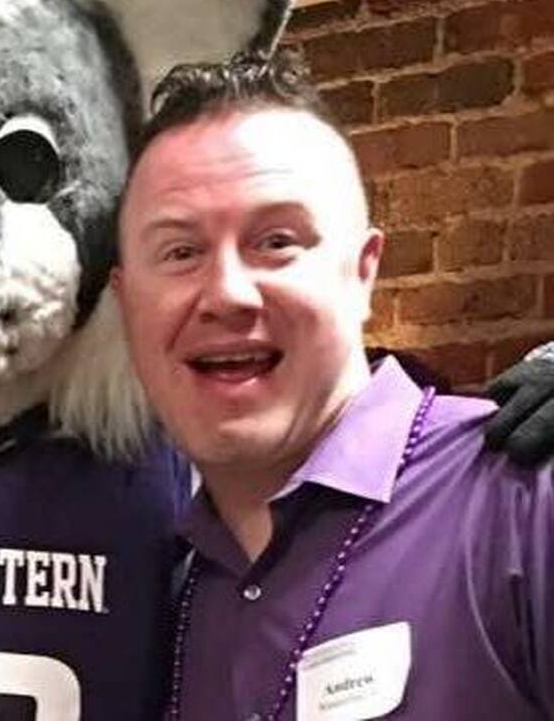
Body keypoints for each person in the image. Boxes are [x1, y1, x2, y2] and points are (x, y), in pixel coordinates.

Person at [111, 49, 554, 720]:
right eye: (180, 251)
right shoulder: (169, 585)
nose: (226, 293)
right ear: (126, 304)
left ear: (364, 270)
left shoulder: (516, 503)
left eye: (276, 241)